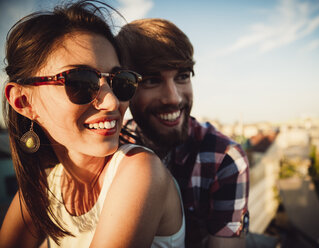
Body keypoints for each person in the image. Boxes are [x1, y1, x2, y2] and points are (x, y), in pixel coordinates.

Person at [0, 2, 185, 247]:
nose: (111, 102)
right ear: (24, 102)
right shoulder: (43, 185)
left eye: (121, 82)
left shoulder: (140, 170)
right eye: (79, 82)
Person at [116, 18, 250, 248]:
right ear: (125, 86)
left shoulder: (224, 159)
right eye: (151, 80)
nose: (174, 98)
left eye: (183, 76)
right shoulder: (111, 146)